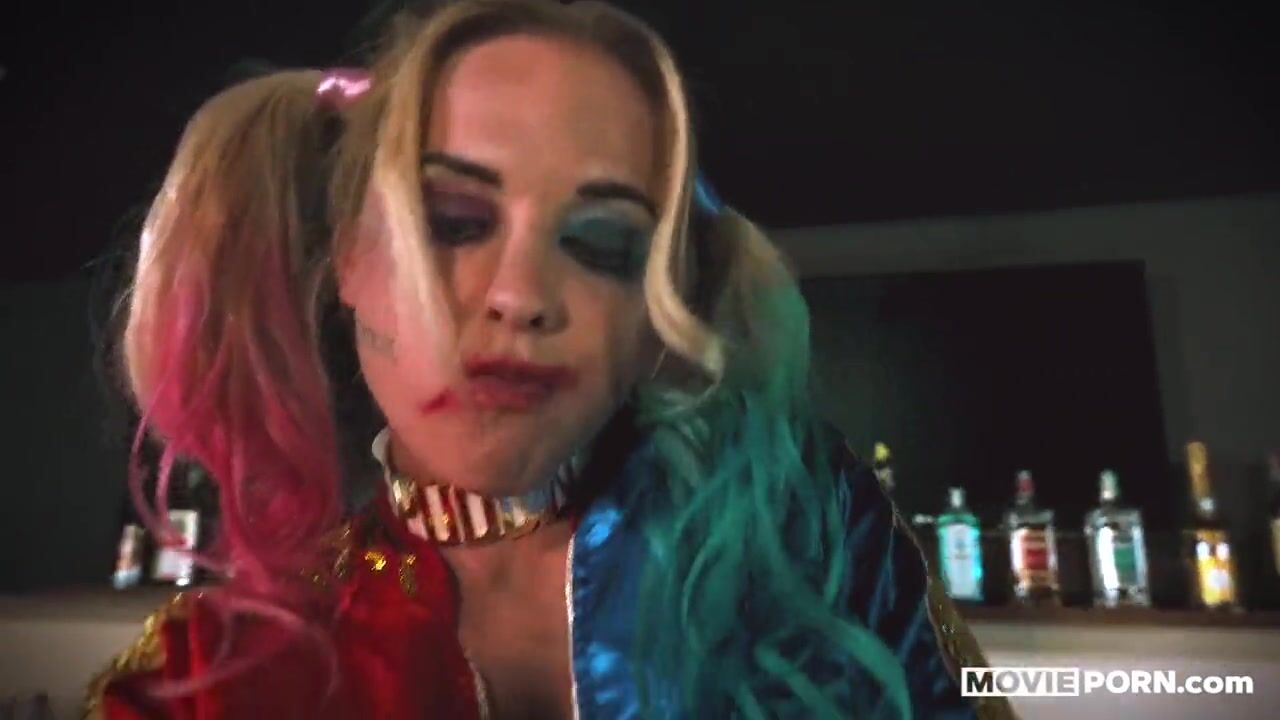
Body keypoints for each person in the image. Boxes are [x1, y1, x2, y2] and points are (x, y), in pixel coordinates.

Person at [86, 1, 1011, 717]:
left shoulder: (814, 537)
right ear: (348, 265)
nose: (521, 293)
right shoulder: (205, 676)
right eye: (454, 223)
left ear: (653, 317)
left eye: (604, 245)